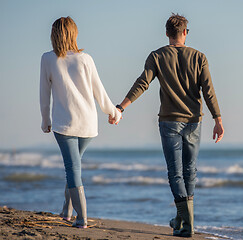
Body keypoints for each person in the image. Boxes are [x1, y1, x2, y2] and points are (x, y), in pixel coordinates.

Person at [110, 13, 224, 237]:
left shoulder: (157, 56)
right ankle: (185, 222)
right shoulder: (199, 57)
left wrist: (121, 107)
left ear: (166, 34)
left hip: (170, 122)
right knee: (190, 172)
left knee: (176, 173)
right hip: (194, 121)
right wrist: (218, 119)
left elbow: (142, 83)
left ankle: (184, 221)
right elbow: (208, 91)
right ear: (184, 33)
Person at [40, 16, 121, 228]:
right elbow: (99, 91)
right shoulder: (86, 58)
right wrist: (113, 112)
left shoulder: (48, 59)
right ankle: (67, 211)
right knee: (73, 166)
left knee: (72, 168)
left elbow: (44, 93)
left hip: (64, 124)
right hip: (88, 124)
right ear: (74, 33)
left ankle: (82, 218)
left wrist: (45, 119)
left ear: (54, 35)